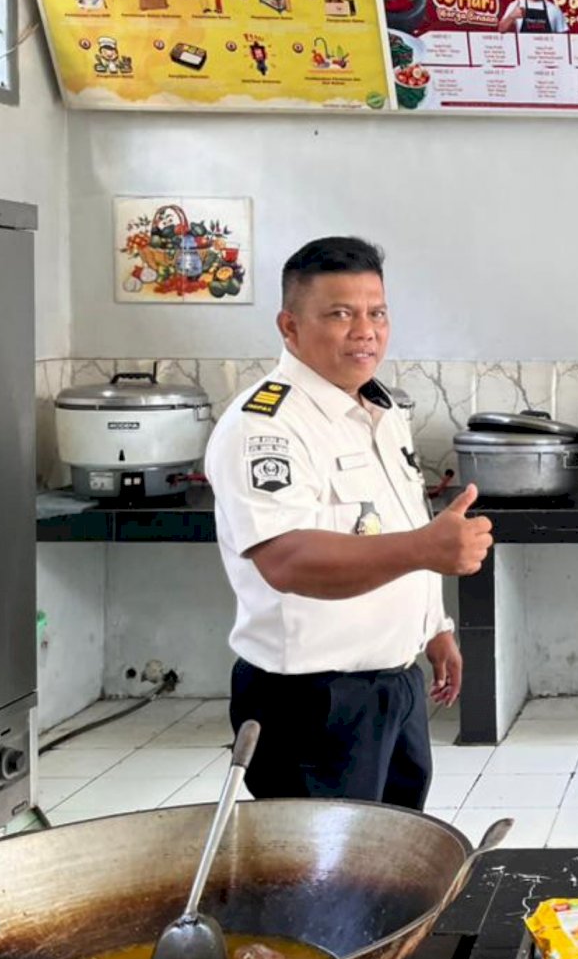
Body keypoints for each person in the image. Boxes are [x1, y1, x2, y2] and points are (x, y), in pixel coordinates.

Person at [205, 237, 492, 808]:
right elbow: (287, 560)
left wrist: (434, 627)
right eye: (340, 314)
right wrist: (424, 550)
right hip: (314, 703)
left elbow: (386, 523)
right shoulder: (267, 425)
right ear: (289, 327)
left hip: (394, 684)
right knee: (321, 883)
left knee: (392, 872)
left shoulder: (376, 409)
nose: (365, 331)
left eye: (376, 313)